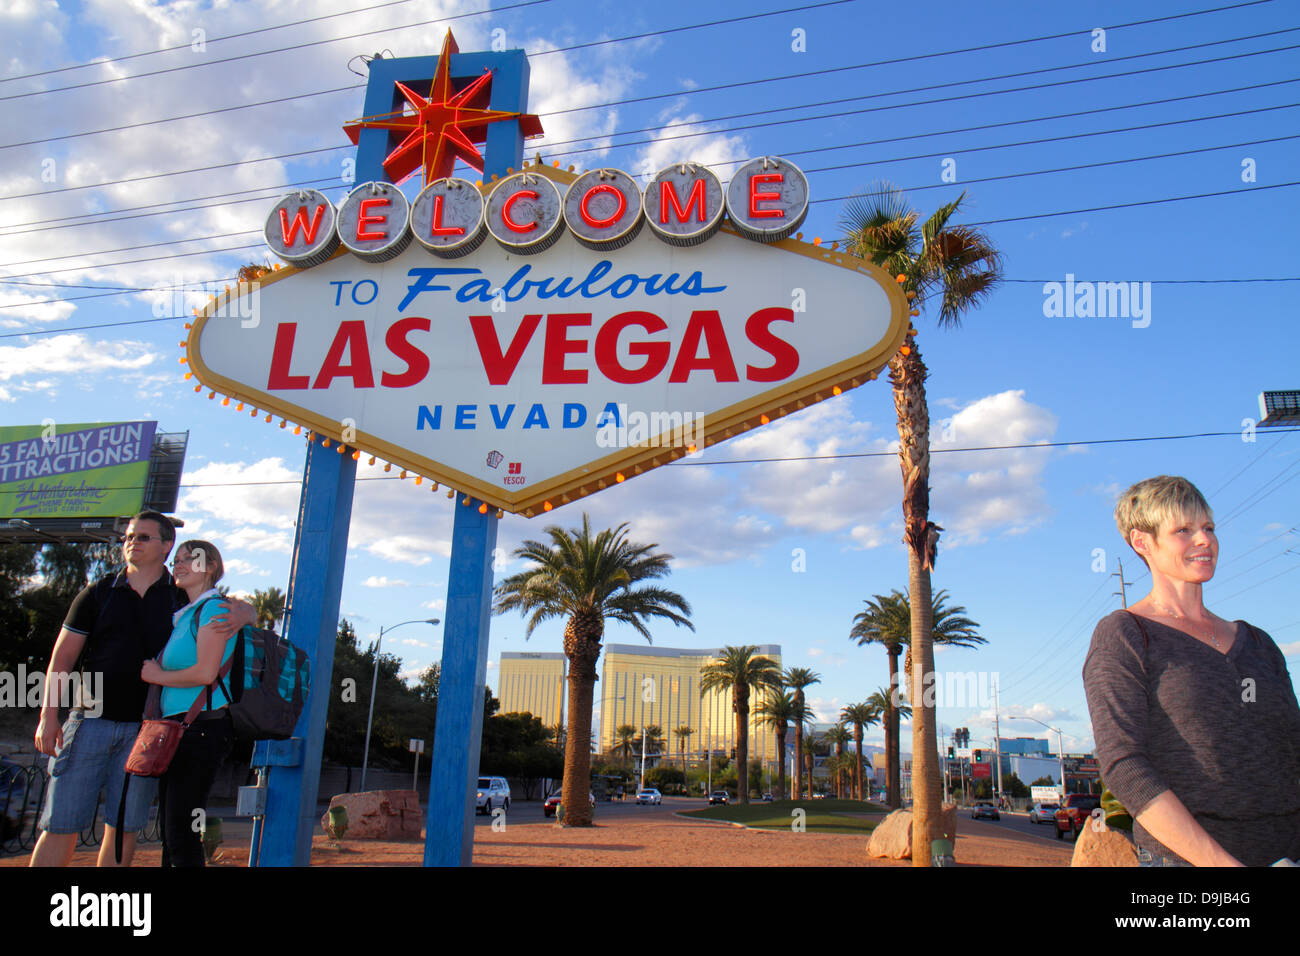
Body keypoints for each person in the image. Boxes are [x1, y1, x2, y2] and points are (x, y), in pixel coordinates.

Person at [1084, 475, 1300, 866]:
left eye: (1209, 528)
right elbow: (1124, 765)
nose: (1205, 540)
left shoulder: (1259, 643)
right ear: (1142, 542)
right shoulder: (1125, 636)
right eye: (1183, 530)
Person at [30, 512, 251, 867]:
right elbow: (62, 658)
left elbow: (227, 608)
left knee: (123, 828)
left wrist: (247, 613)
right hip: (88, 721)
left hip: (148, 730)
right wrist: (48, 716)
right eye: (129, 536)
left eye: (144, 537)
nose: (132, 542)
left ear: (166, 546)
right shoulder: (98, 592)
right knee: (60, 823)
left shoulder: (181, 599)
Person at [141, 539, 240, 867]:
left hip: (200, 730)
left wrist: (157, 675)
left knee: (181, 833)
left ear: (211, 566)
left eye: (189, 559)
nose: (178, 565)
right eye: (177, 560)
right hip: (180, 730)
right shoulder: (186, 616)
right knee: (173, 833)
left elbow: (205, 672)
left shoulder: (214, 609)